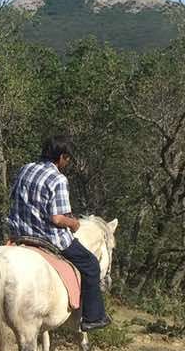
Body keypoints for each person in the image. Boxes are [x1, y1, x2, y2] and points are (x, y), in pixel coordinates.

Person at [6, 136, 111, 332]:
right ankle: (93, 317)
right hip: (49, 238)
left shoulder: (26, 168)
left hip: (19, 233)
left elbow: (14, 197)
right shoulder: (58, 179)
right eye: (67, 158)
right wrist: (74, 223)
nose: (67, 163)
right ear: (62, 157)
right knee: (90, 264)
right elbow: (57, 218)